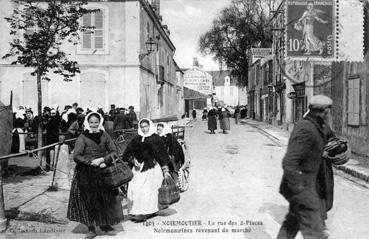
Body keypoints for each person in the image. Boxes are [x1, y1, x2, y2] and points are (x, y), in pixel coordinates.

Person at [277, 95, 338, 239]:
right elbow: (289, 162)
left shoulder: (318, 126)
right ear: (325, 112)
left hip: (307, 190)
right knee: (315, 234)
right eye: (329, 112)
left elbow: (331, 138)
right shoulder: (306, 128)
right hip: (304, 192)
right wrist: (300, 191)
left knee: (290, 226)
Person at [67, 112, 123, 239]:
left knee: (105, 199)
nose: (94, 125)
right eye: (91, 123)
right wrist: (91, 162)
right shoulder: (82, 137)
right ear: (88, 123)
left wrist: (103, 160)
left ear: (100, 122)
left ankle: (104, 224)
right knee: (89, 200)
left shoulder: (104, 135)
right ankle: (91, 228)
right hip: (86, 173)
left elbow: (114, 151)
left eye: (96, 122)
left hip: (103, 171)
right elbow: (76, 156)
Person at [122, 118, 171, 222]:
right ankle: (137, 210)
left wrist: (165, 170)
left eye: (146, 126)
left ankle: (145, 212)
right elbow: (127, 153)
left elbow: (162, 155)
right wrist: (133, 160)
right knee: (135, 188)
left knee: (147, 191)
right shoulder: (136, 139)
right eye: (142, 127)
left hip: (152, 169)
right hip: (138, 167)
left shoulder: (156, 138)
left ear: (150, 126)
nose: (144, 129)